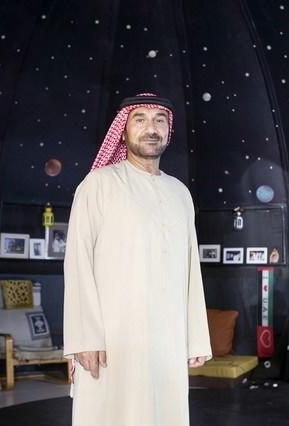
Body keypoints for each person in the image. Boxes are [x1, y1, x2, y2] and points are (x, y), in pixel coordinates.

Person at [63, 93, 212, 426]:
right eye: (140, 119)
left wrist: (195, 337)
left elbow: (191, 270)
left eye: (160, 120)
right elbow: (77, 263)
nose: (151, 128)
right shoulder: (98, 184)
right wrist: (85, 337)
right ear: (123, 130)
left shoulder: (180, 193)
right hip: (113, 339)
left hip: (168, 339)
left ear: (169, 130)